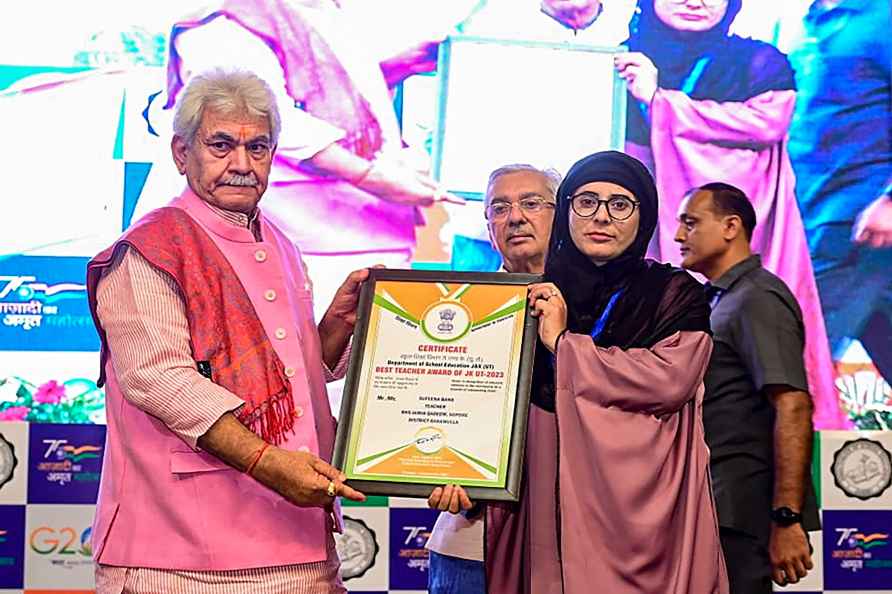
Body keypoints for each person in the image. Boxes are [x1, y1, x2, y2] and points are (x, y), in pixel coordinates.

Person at [86, 69, 367, 593]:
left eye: (258, 147)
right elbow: (162, 382)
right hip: (180, 557)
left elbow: (288, 376)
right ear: (180, 153)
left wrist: (337, 327)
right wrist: (270, 464)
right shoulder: (149, 247)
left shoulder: (280, 243)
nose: (242, 164)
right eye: (221, 145)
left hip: (299, 542)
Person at [485, 150, 728, 594]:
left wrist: (564, 344)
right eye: (587, 202)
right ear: (568, 211)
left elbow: (668, 381)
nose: (602, 217)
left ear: (644, 217)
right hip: (544, 513)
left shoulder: (673, 294)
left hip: (647, 522)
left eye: (620, 205)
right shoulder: (534, 295)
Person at [133, 0, 463, 315]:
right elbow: (266, 116)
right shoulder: (225, 20)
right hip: (294, 246)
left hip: (354, 240)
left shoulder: (322, 11)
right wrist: (373, 179)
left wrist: (388, 70)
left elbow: (318, 90)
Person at [613, 0, 842, 427]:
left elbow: (767, 127)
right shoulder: (618, 61)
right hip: (640, 249)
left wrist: (661, 104)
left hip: (756, 256)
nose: (695, 1)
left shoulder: (760, 63)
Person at [675, 183, 820, 593]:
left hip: (740, 514)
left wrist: (787, 519)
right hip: (712, 506)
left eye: (690, 223)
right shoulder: (721, 300)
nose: (677, 236)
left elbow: (792, 404)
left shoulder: (758, 297)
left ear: (730, 227)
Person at [426, 164, 560, 594]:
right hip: (470, 545)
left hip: (574, 548)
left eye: (532, 203)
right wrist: (434, 465)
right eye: (499, 208)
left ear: (563, 214)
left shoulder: (605, 309)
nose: (515, 217)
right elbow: (425, 411)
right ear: (488, 225)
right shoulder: (456, 314)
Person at [786, 0, 892, 383]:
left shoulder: (884, 16)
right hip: (814, 215)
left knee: (791, 362)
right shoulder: (802, 24)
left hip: (858, 221)